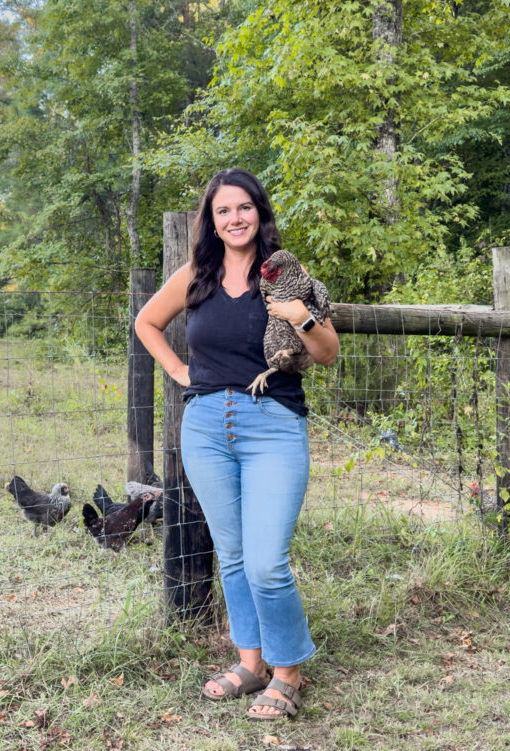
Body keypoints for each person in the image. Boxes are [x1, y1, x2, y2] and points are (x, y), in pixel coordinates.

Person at [134, 168, 338, 720]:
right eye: (223, 211)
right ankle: (251, 663)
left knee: (267, 561)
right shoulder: (196, 275)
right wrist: (180, 371)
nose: (235, 218)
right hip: (205, 429)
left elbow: (327, 353)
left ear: (259, 212)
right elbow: (146, 322)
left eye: (244, 207)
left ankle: (289, 670)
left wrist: (304, 318)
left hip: (272, 423)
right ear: (212, 220)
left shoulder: (281, 273)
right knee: (234, 555)